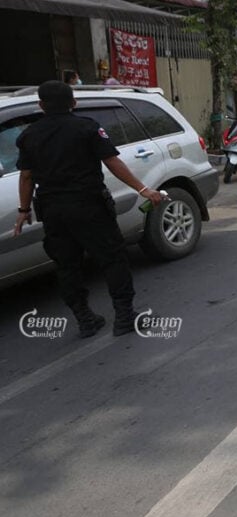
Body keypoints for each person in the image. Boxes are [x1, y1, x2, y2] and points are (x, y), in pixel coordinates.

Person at [13, 80, 164, 337]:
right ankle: (125, 317)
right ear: (74, 103)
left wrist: (23, 211)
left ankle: (85, 319)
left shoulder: (28, 136)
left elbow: (26, 177)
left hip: (53, 211)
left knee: (67, 265)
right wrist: (143, 189)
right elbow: (112, 162)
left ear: (41, 105)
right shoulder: (87, 128)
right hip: (89, 206)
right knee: (112, 258)